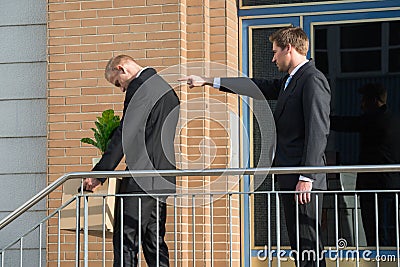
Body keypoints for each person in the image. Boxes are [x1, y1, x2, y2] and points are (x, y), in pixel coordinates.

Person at [179, 26, 330, 267]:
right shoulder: (290, 81)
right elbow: (255, 86)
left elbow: (318, 130)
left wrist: (307, 176)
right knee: (300, 247)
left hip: (303, 182)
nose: (272, 58)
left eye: (275, 52)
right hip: (291, 178)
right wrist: (208, 81)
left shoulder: (312, 79)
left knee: (309, 246)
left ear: (288, 49)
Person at [83, 55, 180, 267]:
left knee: (126, 239)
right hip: (163, 178)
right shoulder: (167, 90)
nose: (121, 89)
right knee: (154, 242)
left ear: (121, 68)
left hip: (141, 178)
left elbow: (125, 133)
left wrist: (100, 173)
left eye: (118, 83)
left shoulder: (140, 86)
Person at [331, 83, 400, 246]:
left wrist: (319, 117)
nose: (361, 105)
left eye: (364, 100)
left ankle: (380, 262)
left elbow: (347, 124)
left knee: (377, 233)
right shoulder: (393, 120)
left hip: (376, 187)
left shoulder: (375, 120)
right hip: (392, 186)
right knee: (389, 231)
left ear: (374, 101)